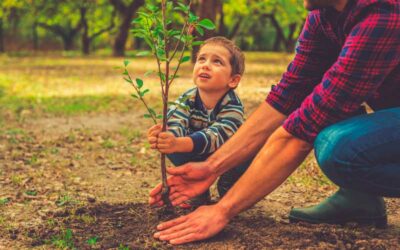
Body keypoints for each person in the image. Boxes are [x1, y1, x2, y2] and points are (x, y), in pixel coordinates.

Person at [148, 0, 400, 245]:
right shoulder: (323, 14)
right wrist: (211, 167)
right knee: (328, 103)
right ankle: (360, 199)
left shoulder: (384, 12)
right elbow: (288, 95)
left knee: (339, 148)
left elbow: (302, 131)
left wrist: (222, 209)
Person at [147, 36, 251, 207]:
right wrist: (167, 137)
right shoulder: (188, 98)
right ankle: (199, 191)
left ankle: (230, 188)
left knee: (248, 151)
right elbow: (176, 120)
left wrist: (181, 143)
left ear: (233, 80)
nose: (205, 64)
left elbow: (218, 135)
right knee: (173, 146)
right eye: (201, 59)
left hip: (228, 157)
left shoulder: (232, 104)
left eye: (217, 62)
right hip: (198, 153)